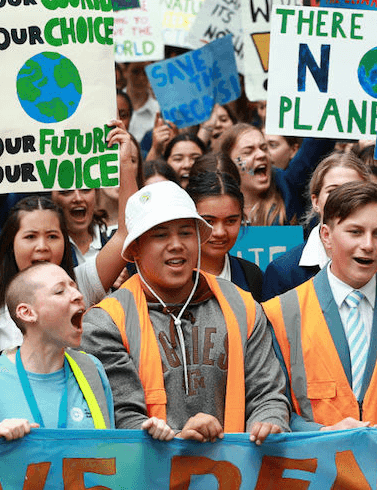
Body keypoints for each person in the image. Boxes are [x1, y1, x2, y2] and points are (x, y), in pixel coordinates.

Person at [81, 181, 289, 444]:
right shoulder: (105, 322)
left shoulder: (243, 305)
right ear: (134, 249)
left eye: (186, 233)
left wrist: (269, 422)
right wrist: (180, 439)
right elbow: (121, 417)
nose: (177, 244)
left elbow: (267, 392)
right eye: (160, 235)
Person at [0, 119, 138, 359]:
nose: (42, 246)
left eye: (52, 236)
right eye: (30, 236)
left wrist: (126, 166)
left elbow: (125, 235)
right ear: (10, 243)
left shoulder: (80, 285)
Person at [264, 181, 377, 431]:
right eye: (355, 232)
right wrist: (322, 433)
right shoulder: (281, 312)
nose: (368, 245)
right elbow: (275, 405)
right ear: (326, 236)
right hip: (313, 463)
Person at [0, 263, 124, 439]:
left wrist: (149, 438)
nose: (77, 295)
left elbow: (110, 452)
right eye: (60, 291)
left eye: (74, 287)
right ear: (27, 313)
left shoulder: (91, 368)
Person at [262, 152, 377, 300]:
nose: (343, 199)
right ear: (315, 201)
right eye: (333, 191)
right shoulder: (284, 271)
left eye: (352, 189)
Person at [218, 124, 333, 226]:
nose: (261, 154)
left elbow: (314, 149)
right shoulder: (214, 202)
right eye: (248, 152)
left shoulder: (288, 189)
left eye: (264, 148)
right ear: (229, 163)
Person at [186, 162, 264, 301]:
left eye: (231, 221)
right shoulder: (173, 275)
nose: (220, 232)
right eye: (209, 221)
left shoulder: (251, 276)